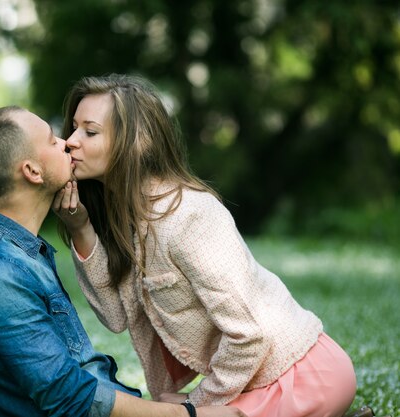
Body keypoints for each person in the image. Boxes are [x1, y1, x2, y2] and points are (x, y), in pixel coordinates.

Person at [53, 74, 357, 417]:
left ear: (138, 140)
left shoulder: (189, 217)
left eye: (89, 131)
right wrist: (81, 229)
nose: (70, 141)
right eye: (74, 128)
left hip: (301, 375)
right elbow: (116, 317)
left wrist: (194, 406)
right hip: (250, 384)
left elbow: (249, 335)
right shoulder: (128, 217)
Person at [0, 105, 246, 417]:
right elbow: (69, 400)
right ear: (32, 171)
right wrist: (189, 415)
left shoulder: (20, 252)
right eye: (52, 141)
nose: (67, 143)